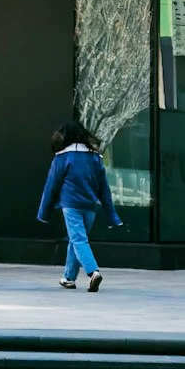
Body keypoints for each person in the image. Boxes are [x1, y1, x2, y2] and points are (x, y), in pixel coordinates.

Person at [37, 120, 122, 293]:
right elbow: (104, 189)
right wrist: (112, 216)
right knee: (75, 239)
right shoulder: (95, 157)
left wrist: (43, 213)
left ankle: (93, 272)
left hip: (71, 205)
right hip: (90, 207)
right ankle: (69, 277)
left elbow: (51, 186)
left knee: (78, 240)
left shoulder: (62, 157)